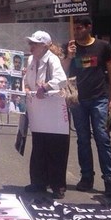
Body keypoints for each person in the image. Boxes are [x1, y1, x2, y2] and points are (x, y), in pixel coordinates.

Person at [62, 16, 111, 198]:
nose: (77, 31)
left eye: (80, 28)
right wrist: (69, 56)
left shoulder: (103, 46)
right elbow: (62, 72)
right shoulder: (69, 46)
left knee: (102, 138)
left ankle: (109, 180)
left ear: (89, 27)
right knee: (83, 139)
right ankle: (86, 176)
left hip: (99, 99)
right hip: (78, 100)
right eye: (75, 28)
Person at [23, 31, 69, 199]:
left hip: (54, 110)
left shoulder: (52, 59)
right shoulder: (30, 60)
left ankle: (58, 185)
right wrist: (27, 88)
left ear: (45, 46)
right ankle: (38, 181)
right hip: (38, 110)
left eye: (35, 43)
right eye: (31, 43)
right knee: (39, 147)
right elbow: (27, 80)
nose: (31, 46)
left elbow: (61, 79)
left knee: (56, 147)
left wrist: (46, 87)